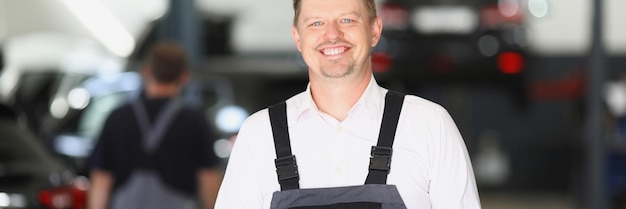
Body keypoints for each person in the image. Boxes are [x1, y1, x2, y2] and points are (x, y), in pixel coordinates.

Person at [215, 0, 482, 208]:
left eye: (347, 19)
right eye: (316, 23)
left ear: (375, 30)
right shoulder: (259, 135)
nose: (332, 34)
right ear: (297, 37)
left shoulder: (430, 125)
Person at [87, 41, 222, 209]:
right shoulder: (195, 121)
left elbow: (101, 179)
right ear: (184, 76)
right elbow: (208, 180)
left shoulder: (118, 117)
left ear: (146, 71)